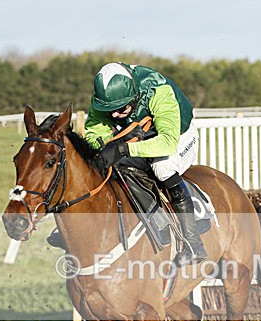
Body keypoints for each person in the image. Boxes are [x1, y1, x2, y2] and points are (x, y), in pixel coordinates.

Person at [84, 62, 207, 266]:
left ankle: (194, 245)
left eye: (120, 108)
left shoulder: (158, 90)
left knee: (162, 167)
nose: (114, 115)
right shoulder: (105, 98)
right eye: (109, 110)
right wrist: (106, 145)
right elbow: (93, 134)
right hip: (142, 137)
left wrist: (124, 148)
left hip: (179, 136)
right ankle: (157, 220)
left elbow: (167, 143)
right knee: (111, 166)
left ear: (133, 96)